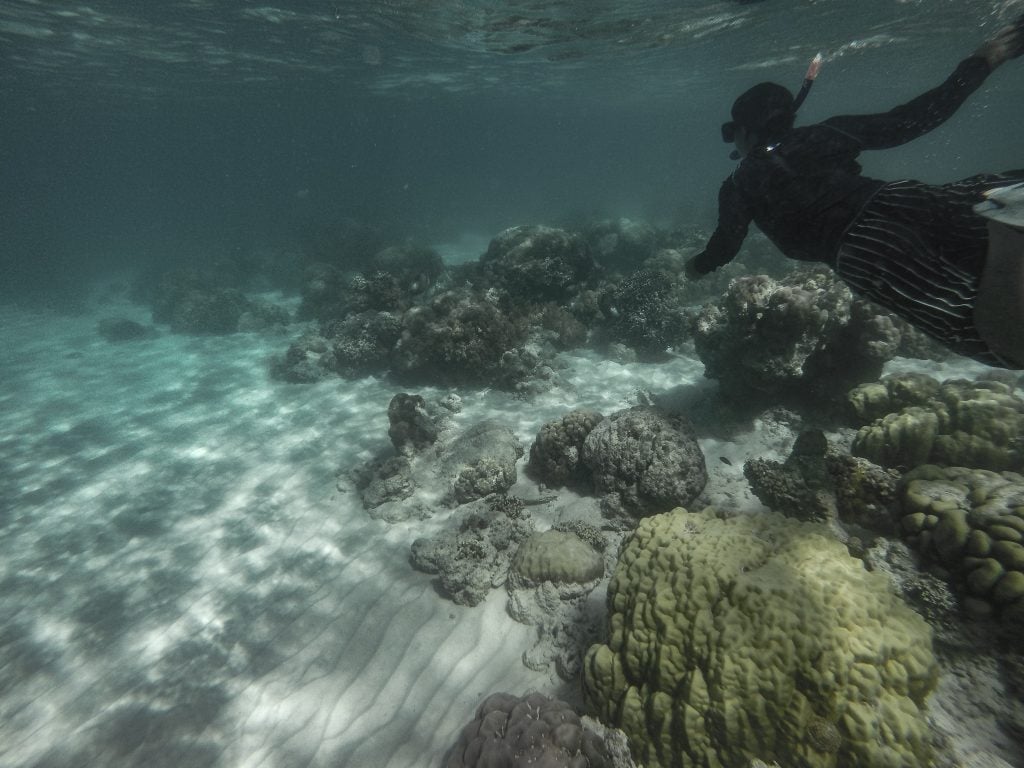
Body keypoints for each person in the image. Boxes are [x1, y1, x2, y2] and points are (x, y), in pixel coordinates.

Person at [685, 15, 1024, 368]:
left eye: (732, 131)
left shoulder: (739, 183)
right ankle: (1008, 207)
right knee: (985, 206)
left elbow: (728, 241)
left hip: (861, 249)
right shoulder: (828, 133)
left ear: (745, 130)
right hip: (898, 198)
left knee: (991, 337)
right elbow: (918, 117)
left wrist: (697, 267)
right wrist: (984, 59)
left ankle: (1008, 238)